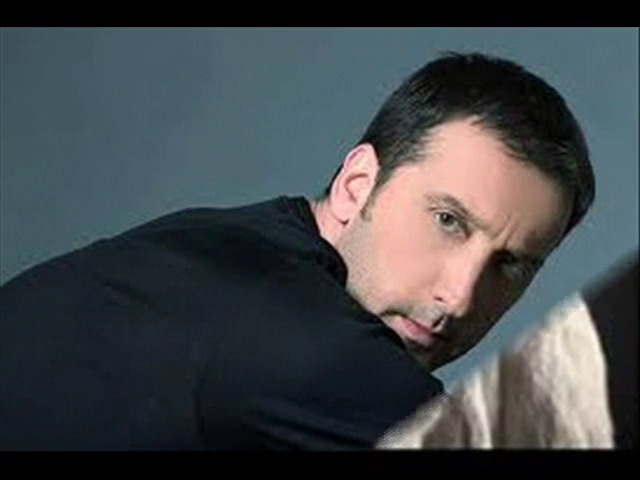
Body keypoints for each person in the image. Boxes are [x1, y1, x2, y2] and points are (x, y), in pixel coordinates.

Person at [0, 52, 595, 450]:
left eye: (510, 264)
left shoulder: (228, 249)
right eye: (448, 221)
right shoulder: (302, 342)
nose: (460, 297)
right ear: (357, 184)